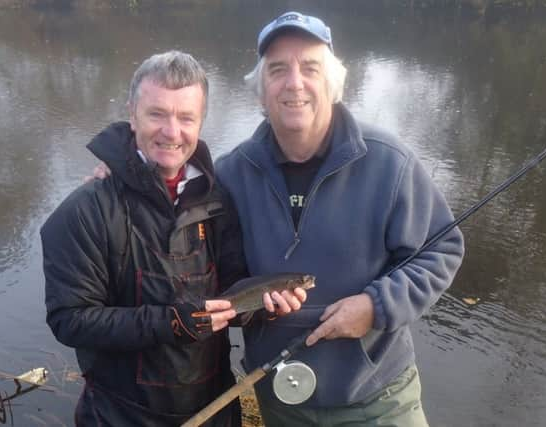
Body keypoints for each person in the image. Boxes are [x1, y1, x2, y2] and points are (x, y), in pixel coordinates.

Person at [214, 11, 465, 426]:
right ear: (261, 91)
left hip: (380, 397)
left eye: (310, 67)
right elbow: (182, 220)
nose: (294, 82)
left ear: (332, 84)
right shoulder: (229, 174)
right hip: (281, 398)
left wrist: (377, 305)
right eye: (278, 70)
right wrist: (121, 171)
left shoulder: (390, 162)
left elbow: (443, 249)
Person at [41, 50, 305, 427]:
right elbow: (70, 320)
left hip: (213, 409)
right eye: (157, 114)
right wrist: (169, 323)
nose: (172, 132)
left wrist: (265, 307)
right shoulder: (83, 211)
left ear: (200, 122)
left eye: (186, 117)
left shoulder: (219, 200)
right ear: (132, 113)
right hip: (118, 415)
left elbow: (232, 295)